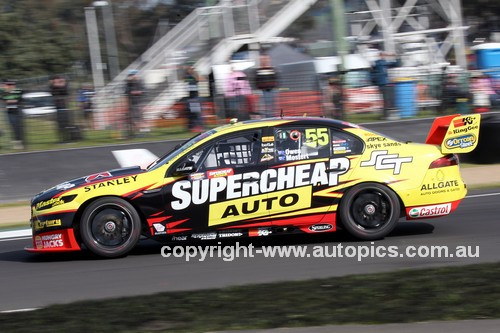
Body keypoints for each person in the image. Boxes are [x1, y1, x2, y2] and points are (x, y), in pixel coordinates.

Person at [372, 52, 400, 119]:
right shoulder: (378, 63)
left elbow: (396, 64)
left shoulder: (383, 63)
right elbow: (379, 65)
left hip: (385, 83)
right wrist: (390, 56)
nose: (384, 57)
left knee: (386, 100)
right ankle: (386, 115)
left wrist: (395, 57)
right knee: (385, 100)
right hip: (382, 83)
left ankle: (387, 114)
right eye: (382, 55)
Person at [1, 80, 24, 149]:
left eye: (12, 85)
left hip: (18, 111)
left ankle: (19, 141)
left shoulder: (18, 91)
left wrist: (10, 100)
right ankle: (17, 141)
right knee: (13, 127)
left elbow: (18, 99)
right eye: (6, 85)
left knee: (18, 126)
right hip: (9, 112)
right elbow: (5, 100)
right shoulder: (4, 93)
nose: (6, 87)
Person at [50, 75, 72, 143]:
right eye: (56, 80)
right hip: (58, 108)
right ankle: (62, 139)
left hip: (64, 107)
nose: (57, 81)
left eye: (58, 80)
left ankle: (67, 139)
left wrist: (63, 82)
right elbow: (54, 88)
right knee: (60, 125)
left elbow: (65, 90)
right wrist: (59, 83)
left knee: (66, 124)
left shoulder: (64, 86)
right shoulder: (52, 87)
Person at [184, 64, 203, 132]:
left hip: (195, 97)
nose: (189, 70)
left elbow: (199, 79)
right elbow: (183, 79)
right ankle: (192, 127)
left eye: (190, 69)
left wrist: (194, 72)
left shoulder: (195, 75)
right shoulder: (187, 76)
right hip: (190, 97)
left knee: (197, 113)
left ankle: (199, 126)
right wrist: (188, 72)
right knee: (192, 113)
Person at [125, 70, 144, 138]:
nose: (131, 77)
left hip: (138, 102)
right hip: (131, 103)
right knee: (133, 119)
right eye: (130, 75)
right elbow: (126, 92)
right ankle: (136, 132)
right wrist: (129, 82)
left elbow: (142, 91)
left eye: (132, 75)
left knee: (139, 118)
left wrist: (135, 92)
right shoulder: (128, 83)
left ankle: (140, 131)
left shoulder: (139, 82)